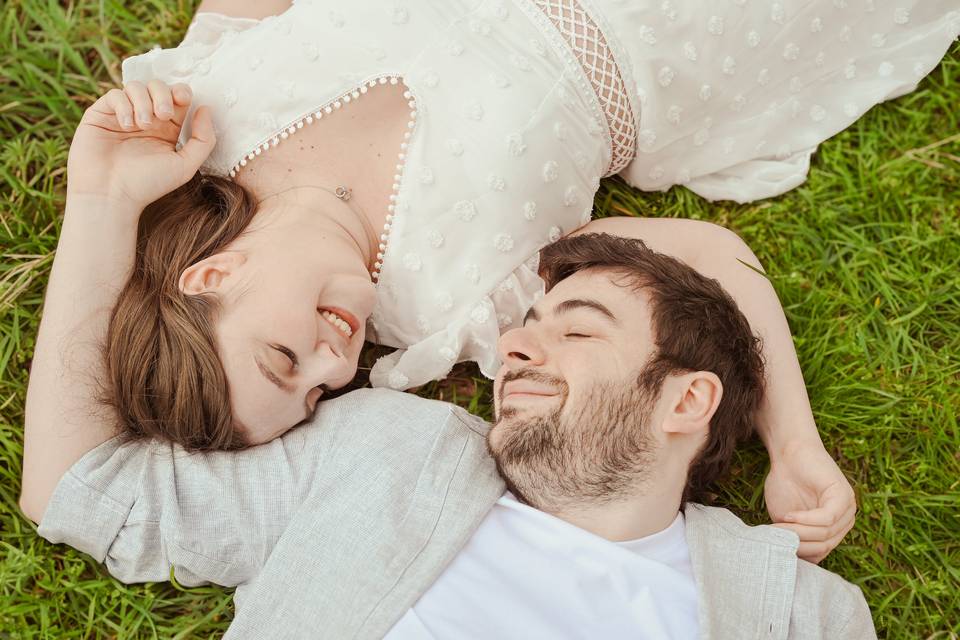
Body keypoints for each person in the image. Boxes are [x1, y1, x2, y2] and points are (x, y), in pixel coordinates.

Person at [32, 234, 876, 639]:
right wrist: (104, 202)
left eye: (577, 331)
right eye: (523, 327)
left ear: (686, 402)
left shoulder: (807, 617)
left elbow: (714, 254)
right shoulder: (382, 453)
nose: (512, 348)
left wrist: (795, 444)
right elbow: (77, 486)